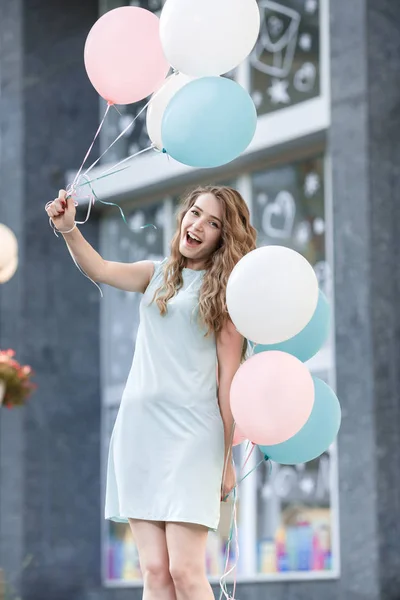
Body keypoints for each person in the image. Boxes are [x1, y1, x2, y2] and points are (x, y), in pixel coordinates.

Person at [46, 185, 257, 600]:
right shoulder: (156, 274)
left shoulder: (226, 298)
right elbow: (101, 268)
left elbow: (228, 381)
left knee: (184, 570)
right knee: (155, 570)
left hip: (195, 437)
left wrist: (227, 460)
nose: (197, 225)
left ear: (223, 237)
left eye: (213, 223)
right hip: (140, 433)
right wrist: (69, 228)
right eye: (195, 213)